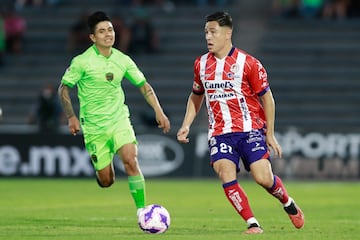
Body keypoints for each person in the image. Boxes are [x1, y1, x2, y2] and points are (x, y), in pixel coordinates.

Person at [176, 11, 304, 234]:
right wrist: (186, 123)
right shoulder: (201, 64)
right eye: (206, 32)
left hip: (250, 129)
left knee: (263, 178)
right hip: (219, 132)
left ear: (228, 33)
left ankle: (287, 202)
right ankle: (252, 223)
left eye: (213, 32)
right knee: (225, 173)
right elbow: (196, 95)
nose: (208, 37)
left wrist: (270, 133)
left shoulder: (248, 63)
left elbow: (268, 98)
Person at [58, 11, 170, 216]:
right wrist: (71, 116)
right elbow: (63, 88)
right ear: (93, 37)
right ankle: (103, 172)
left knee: (130, 160)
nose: (108, 34)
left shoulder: (123, 60)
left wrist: (159, 111)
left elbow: (144, 86)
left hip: (119, 120)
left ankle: (142, 212)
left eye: (110, 29)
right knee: (106, 180)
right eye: (102, 31)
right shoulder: (82, 62)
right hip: (93, 127)